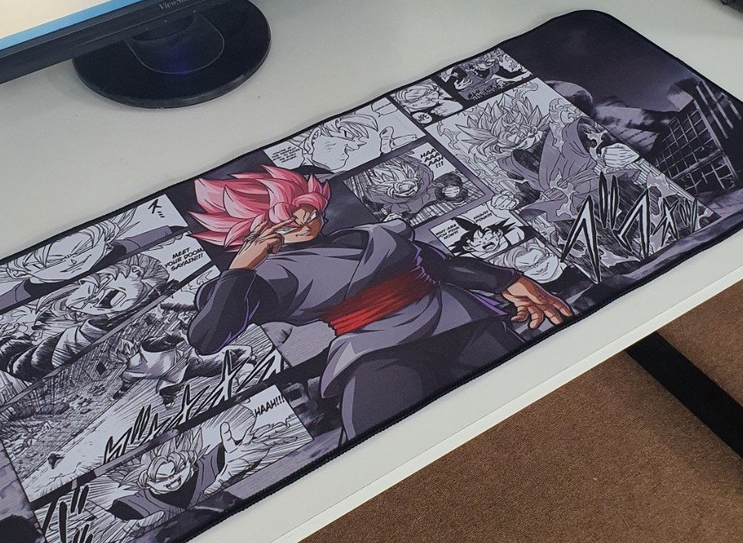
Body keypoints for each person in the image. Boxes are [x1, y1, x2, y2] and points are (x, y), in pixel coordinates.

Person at [186, 166, 572, 440]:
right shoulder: (265, 276)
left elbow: (436, 265)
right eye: (284, 222)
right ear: (251, 231)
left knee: (543, 397)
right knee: (384, 441)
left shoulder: (369, 233)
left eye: (306, 212)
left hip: (460, 319)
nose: (302, 224)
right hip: (377, 351)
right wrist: (241, 270)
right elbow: (208, 337)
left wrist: (507, 280)